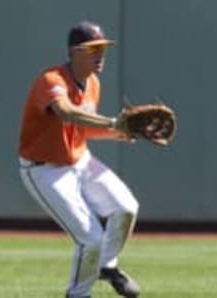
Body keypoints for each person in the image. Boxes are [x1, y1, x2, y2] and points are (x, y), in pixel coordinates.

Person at [17, 20, 140, 298]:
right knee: (91, 238)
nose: (100, 55)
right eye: (93, 49)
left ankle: (107, 267)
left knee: (127, 208)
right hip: (45, 171)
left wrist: (117, 133)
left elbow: (82, 128)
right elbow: (66, 112)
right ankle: (78, 295)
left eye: (103, 48)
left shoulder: (93, 83)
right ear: (74, 52)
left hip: (80, 160)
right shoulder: (51, 80)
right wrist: (113, 122)